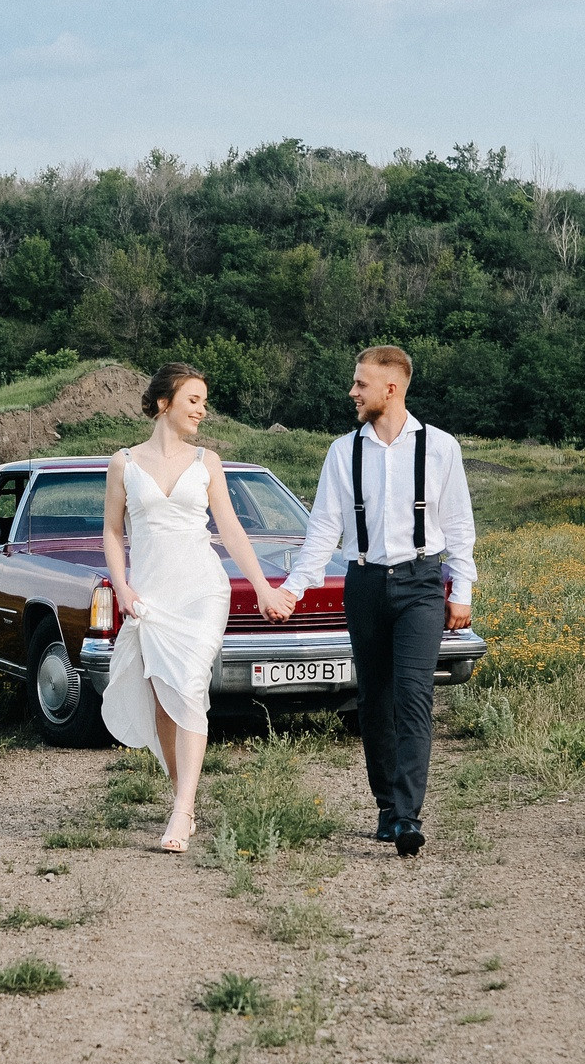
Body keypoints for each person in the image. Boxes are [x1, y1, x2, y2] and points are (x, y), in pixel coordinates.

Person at [283, 346, 476, 857]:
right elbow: (323, 529)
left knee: (413, 694)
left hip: (420, 583)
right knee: (373, 699)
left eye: (361, 384)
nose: (353, 392)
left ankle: (410, 816)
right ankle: (387, 807)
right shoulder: (342, 451)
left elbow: (458, 525)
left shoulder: (439, 447)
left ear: (391, 389)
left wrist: (463, 589)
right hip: (364, 583)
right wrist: (292, 589)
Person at [102, 363, 296, 853]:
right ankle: (181, 797)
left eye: (204, 401)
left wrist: (263, 588)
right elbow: (112, 531)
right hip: (151, 592)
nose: (201, 410)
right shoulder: (123, 463)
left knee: (187, 688)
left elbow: (230, 529)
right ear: (164, 403)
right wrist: (123, 588)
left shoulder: (207, 461)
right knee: (164, 699)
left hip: (201, 590)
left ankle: (182, 810)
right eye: (193, 400)